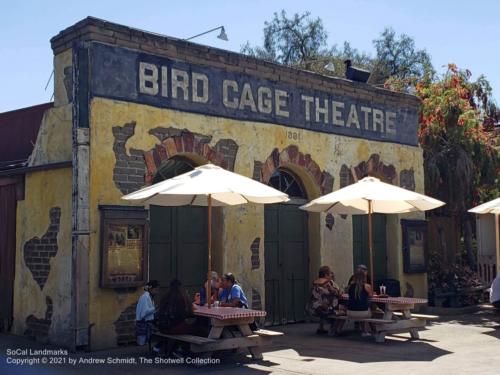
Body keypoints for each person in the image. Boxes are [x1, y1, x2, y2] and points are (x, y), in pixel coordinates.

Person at [310, 266, 342, 335]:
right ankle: (334, 329)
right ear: (326, 275)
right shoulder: (328, 283)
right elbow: (337, 293)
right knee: (341, 310)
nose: (332, 275)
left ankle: (321, 327)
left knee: (324, 303)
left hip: (315, 307)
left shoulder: (315, 282)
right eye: (330, 273)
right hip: (326, 308)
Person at [347, 269, 373, 337]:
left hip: (350, 312)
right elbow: (371, 296)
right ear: (364, 277)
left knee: (360, 305)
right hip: (363, 312)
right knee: (371, 309)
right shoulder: (367, 286)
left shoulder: (350, 286)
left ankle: (364, 330)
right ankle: (371, 330)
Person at [136, 280, 159, 346]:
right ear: (151, 289)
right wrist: (155, 308)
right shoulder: (145, 297)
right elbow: (144, 313)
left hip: (146, 322)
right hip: (143, 323)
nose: (157, 292)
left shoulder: (149, 297)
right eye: (156, 290)